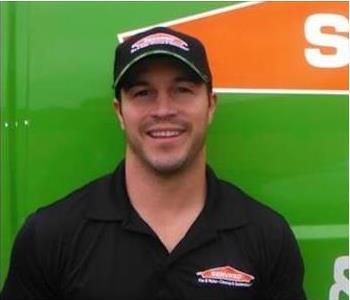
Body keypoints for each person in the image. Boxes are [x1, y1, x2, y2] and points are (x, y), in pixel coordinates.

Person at [1, 27, 307, 300]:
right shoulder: (50, 236)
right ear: (120, 111)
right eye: (143, 93)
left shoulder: (266, 235)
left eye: (182, 90)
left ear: (210, 106)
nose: (163, 109)